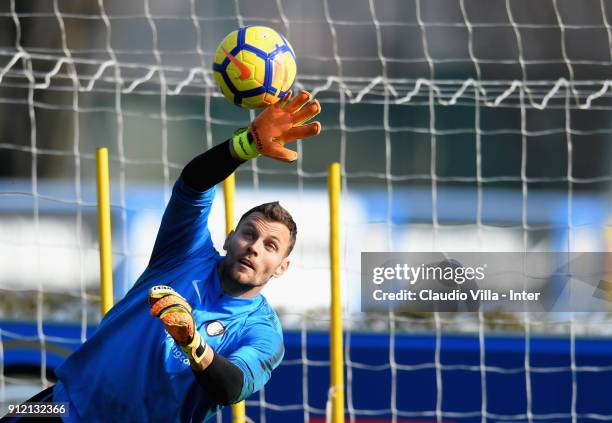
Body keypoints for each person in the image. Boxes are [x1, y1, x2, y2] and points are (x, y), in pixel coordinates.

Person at [2, 90, 321, 423]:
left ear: (282, 268)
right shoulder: (186, 253)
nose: (254, 247)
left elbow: (231, 387)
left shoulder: (263, 331)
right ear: (230, 238)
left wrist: (192, 344)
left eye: (270, 246)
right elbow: (195, 183)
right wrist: (246, 143)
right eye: (249, 234)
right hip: (65, 405)